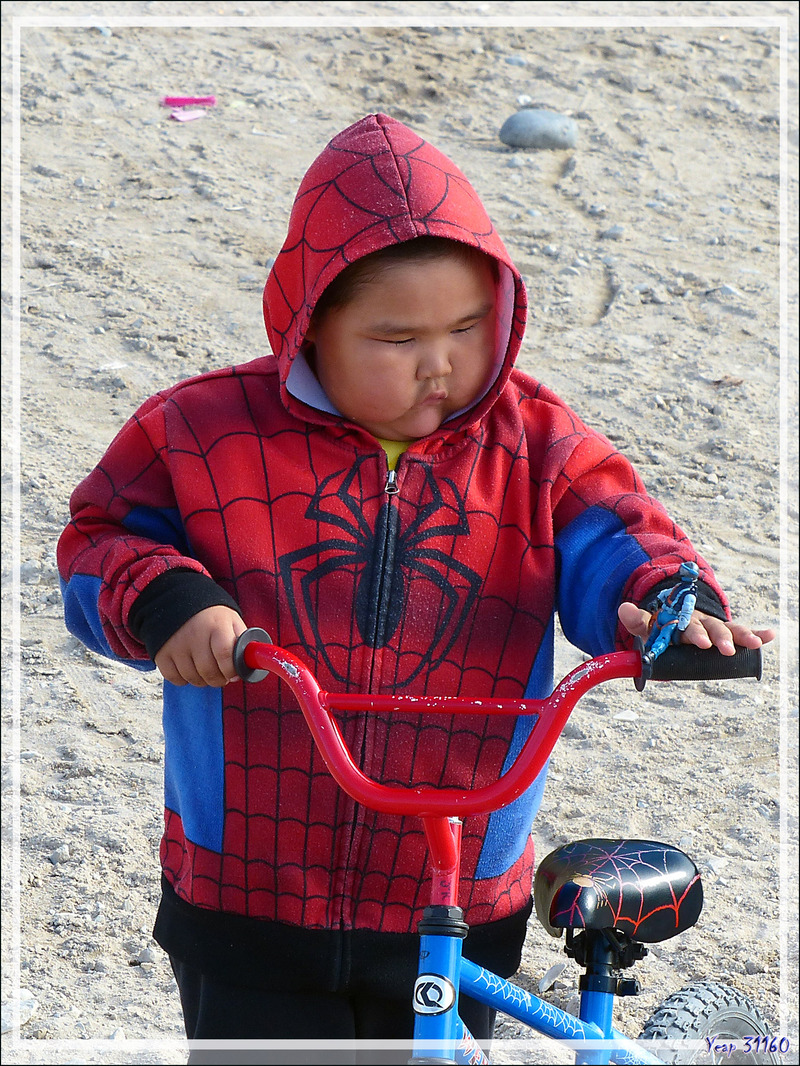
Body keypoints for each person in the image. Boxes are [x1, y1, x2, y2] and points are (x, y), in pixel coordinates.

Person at [57, 113, 774, 1063]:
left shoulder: (536, 444)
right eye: (396, 337)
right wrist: (166, 603)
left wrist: (662, 600)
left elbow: (615, 533)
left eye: (468, 327)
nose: (440, 363)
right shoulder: (197, 435)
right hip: (250, 880)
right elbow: (100, 538)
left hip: (459, 874)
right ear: (310, 325)